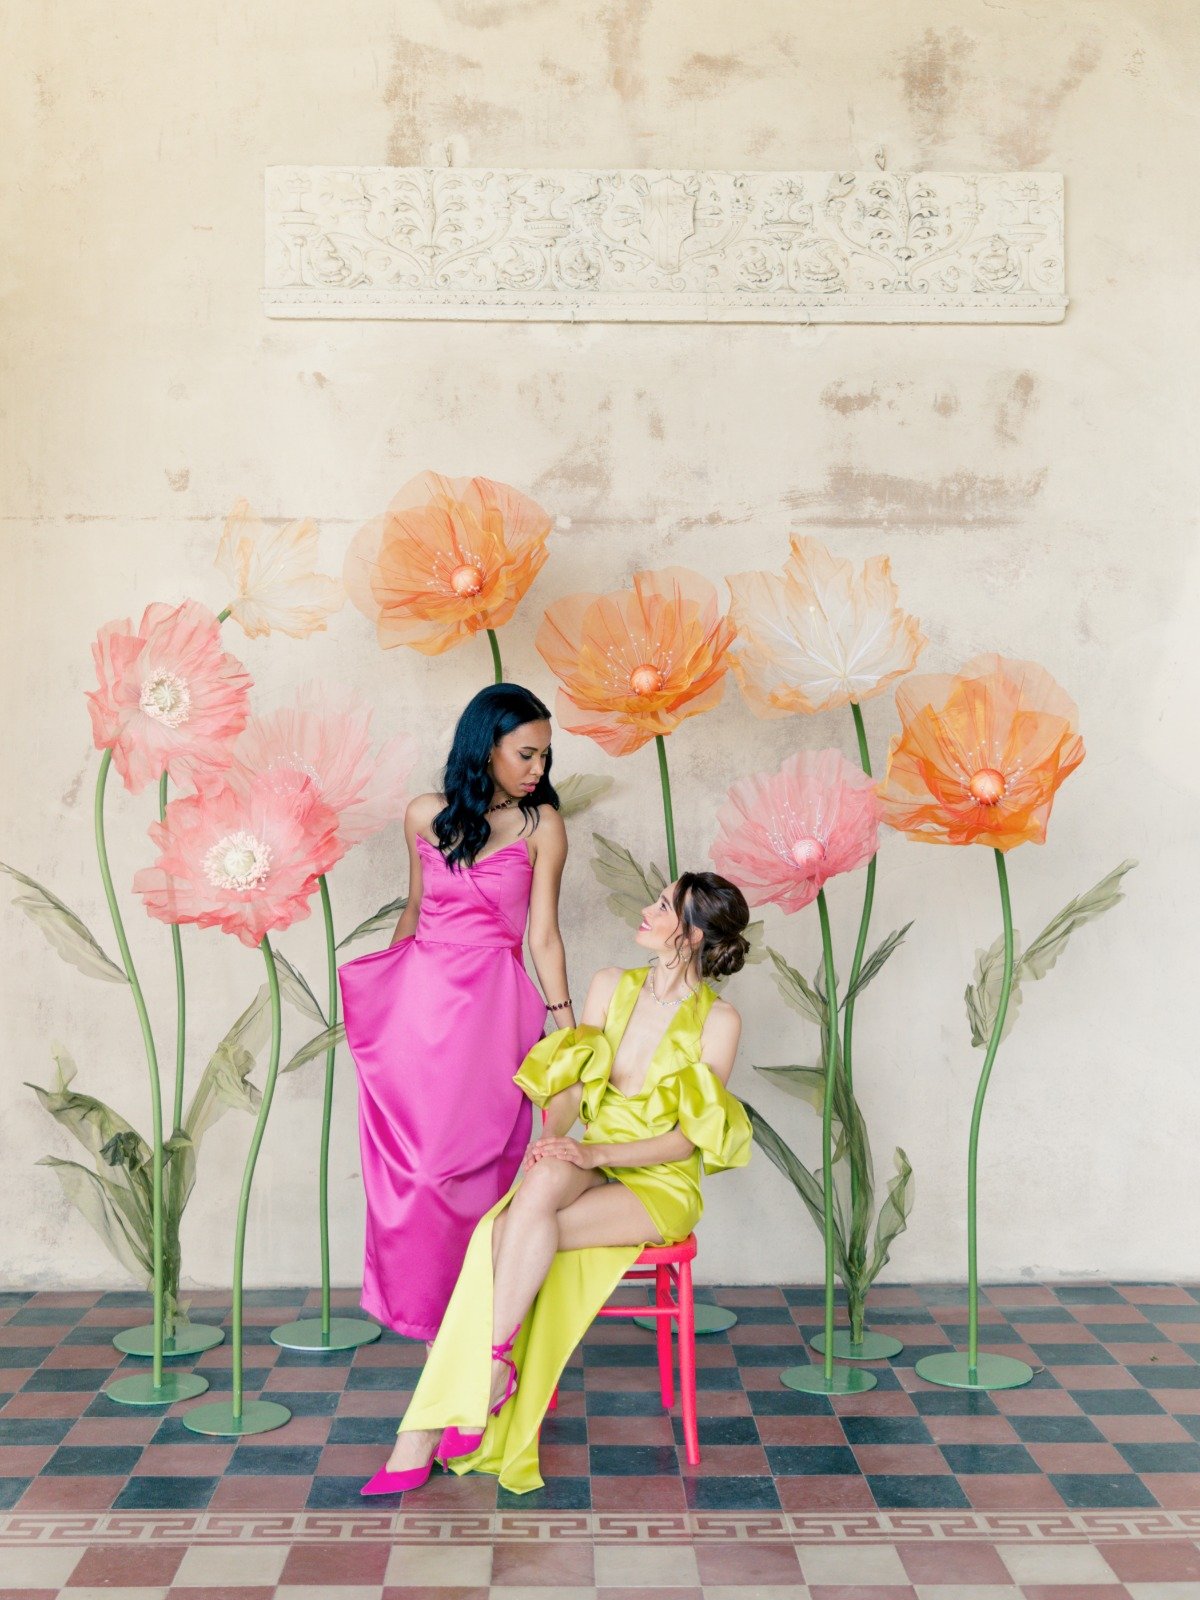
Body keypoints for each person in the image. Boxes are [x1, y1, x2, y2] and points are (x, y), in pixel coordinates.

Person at [362, 870, 753, 1497]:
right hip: (588, 1150)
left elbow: (687, 1139)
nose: (647, 911)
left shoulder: (720, 1020)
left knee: (505, 1233)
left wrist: (591, 1150)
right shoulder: (608, 986)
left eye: (662, 906)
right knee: (537, 1189)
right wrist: (555, 1138)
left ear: (694, 932)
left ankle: (429, 1427)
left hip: (657, 1182)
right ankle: (491, 1370)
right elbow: (570, 1086)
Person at [339, 683, 572, 1342]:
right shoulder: (423, 815)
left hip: (492, 1012)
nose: (538, 771)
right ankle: (425, 1315)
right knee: (412, 1169)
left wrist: (570, 1036)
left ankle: (484, 1323)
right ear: (486, 747)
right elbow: (413, 912)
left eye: (545, 758)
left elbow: (544, 937)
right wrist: (383, 1008)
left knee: (472, 1166)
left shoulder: (542, 826)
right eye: (526, 755)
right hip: (419, 1008)